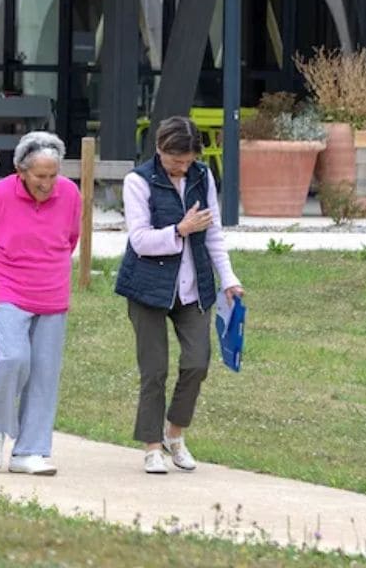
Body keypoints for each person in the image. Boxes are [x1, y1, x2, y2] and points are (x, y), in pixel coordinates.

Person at [115, 116, 244, 474]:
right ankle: (152, 447)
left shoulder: (203, 177)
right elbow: (139, 240)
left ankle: (175, 434)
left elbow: (214, 231)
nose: (182, 168)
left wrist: (229, 279)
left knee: (197, 363)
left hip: (194, 287)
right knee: (154, 370)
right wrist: (180, 229)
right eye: (176, 162)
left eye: (187, 161)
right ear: (160, 149)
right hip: (147, 288)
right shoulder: (138, 181)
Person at [0, 132, 81, 476]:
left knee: (44, 372)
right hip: (10, 287)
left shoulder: (70, 193)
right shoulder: (0, 193)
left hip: (53, 290)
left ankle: (30, 451)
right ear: (21, 171)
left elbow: (70, 237)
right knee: (12, 358)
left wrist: (50, 266)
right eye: (40, 176)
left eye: (52, 175)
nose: (47, 183)